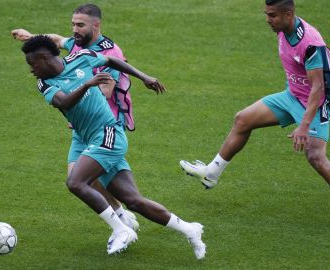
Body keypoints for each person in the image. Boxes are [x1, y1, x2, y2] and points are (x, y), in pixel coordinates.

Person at [180, 0, 330, 229]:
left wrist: (303, 125)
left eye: (272, 15)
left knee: (315, 156)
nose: (268, 20)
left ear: (288, 14)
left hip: (316, 102)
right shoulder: (283, 30)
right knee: (243, 119)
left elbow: (318, 88)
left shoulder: (310, 43)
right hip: (292, 96)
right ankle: (212, 173)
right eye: (266, 14)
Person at [21, 35, 206, 259]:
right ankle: (190, 229)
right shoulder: (45, 83)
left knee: (76, 182)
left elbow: (111, 61)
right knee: (134, 200)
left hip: (108, 134)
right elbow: (63, 102)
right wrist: (87, 84)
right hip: (85, 138)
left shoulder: (81, 57)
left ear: (44, 58)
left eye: (32, 64)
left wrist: (143, 76)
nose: (31, 70)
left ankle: (121, 229)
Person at [11, 4, 139, 232]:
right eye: (73, 24)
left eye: (80, 25)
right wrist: (31, 37)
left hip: (106, 124)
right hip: (83, 127)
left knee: (85, 179)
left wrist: (77, 91)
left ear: (95, 25)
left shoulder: (109, 54)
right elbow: (57, 41)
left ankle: (122, 224)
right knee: (79, 179)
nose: (74, 30)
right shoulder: (79, 46)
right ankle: (121, 218)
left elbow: (106, 90)